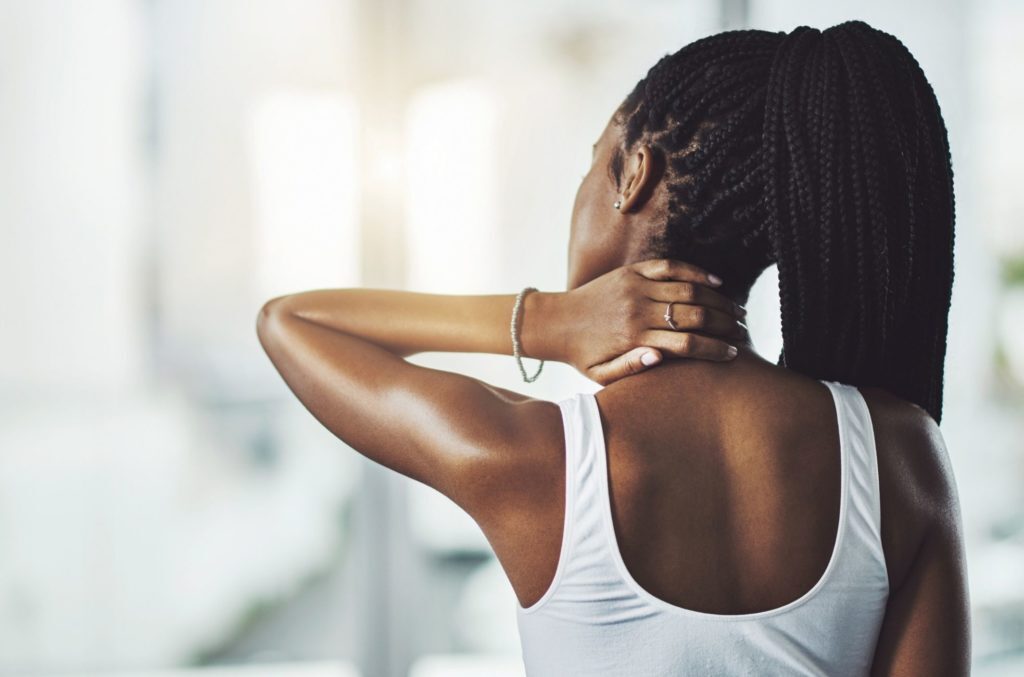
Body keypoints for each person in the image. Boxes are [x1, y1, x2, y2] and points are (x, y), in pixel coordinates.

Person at [257, 19, 970, 676]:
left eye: (590, 161)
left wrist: (545, 323)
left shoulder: (535, 460)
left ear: (635, 174)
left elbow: (290, 324)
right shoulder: (900, 456)